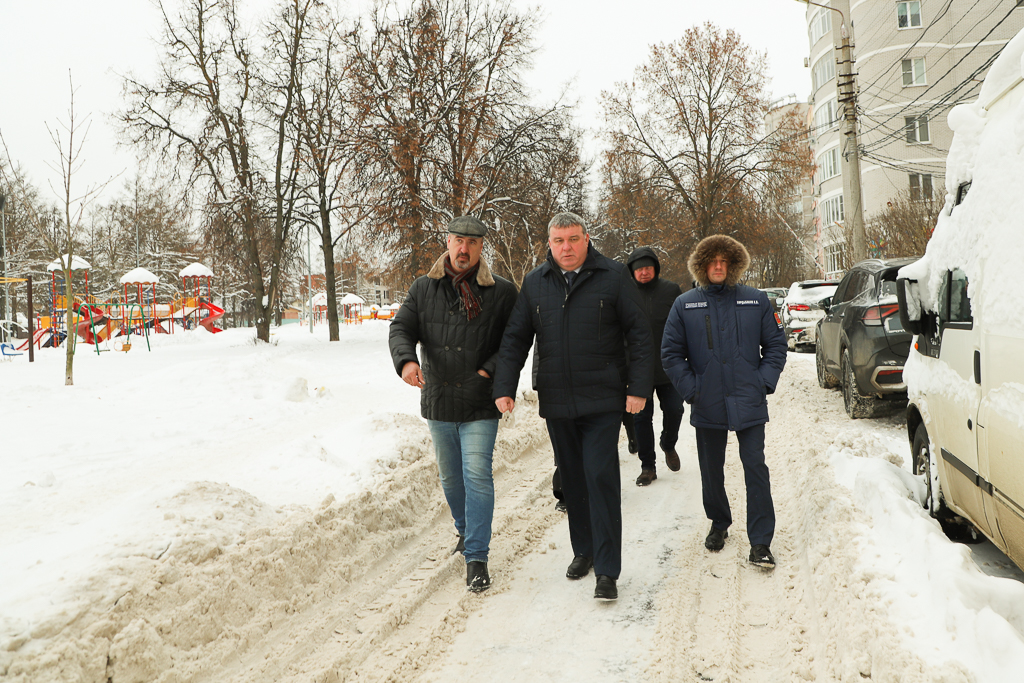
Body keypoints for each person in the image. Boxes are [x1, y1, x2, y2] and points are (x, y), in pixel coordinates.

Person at [493, 212, 653, 601]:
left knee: (600, 478)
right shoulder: (535, 283)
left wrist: (639, 387)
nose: (566, 247)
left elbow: (640, 334)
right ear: (549, 243)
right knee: (572, 481)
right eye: (559, 240)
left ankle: (608, 570)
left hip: (602, 400)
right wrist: (504, 385)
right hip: (558, 401)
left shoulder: (613, 277)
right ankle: (583, 551)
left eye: (573, 239)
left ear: (586, 240)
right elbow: (515, 339)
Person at [388, 216, 518, 592]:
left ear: (481, 248)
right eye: (458, 241)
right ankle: (465, 531)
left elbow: (513, 343)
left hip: (479, 399)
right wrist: (406, 361)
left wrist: (487, 373)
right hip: (440, 397)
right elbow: (401, 328)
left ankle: (476, 557)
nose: (464, 249)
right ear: (447, 242)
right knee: (450, 477)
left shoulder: (502, 292)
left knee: (476, 474)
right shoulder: (423, 288)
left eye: (472, 243)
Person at [661, 235, 787, 569]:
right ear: (702, 267)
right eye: (712, 261)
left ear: (732, 265)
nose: (718, 266)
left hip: (749, 399)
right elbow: (671, 354)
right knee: (711, 471)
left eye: (724, 261)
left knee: (755, 468)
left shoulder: (755, 301)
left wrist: (763, 381)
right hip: (708, 402)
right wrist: (694, 389)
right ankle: (719, 522)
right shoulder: (685, 304)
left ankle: (760, 542)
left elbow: (776, 345)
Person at [625, 247, 684, 487]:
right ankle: (647, 466)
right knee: (641, 418)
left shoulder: (671, 291)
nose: (644, 272)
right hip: (637, 368)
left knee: (675, 409)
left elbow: (683, 327)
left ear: (656, 268)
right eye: (639, 269)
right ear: (632, 272)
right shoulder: (625, 294)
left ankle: (668, 444)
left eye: (648, 267)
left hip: (668, 365)